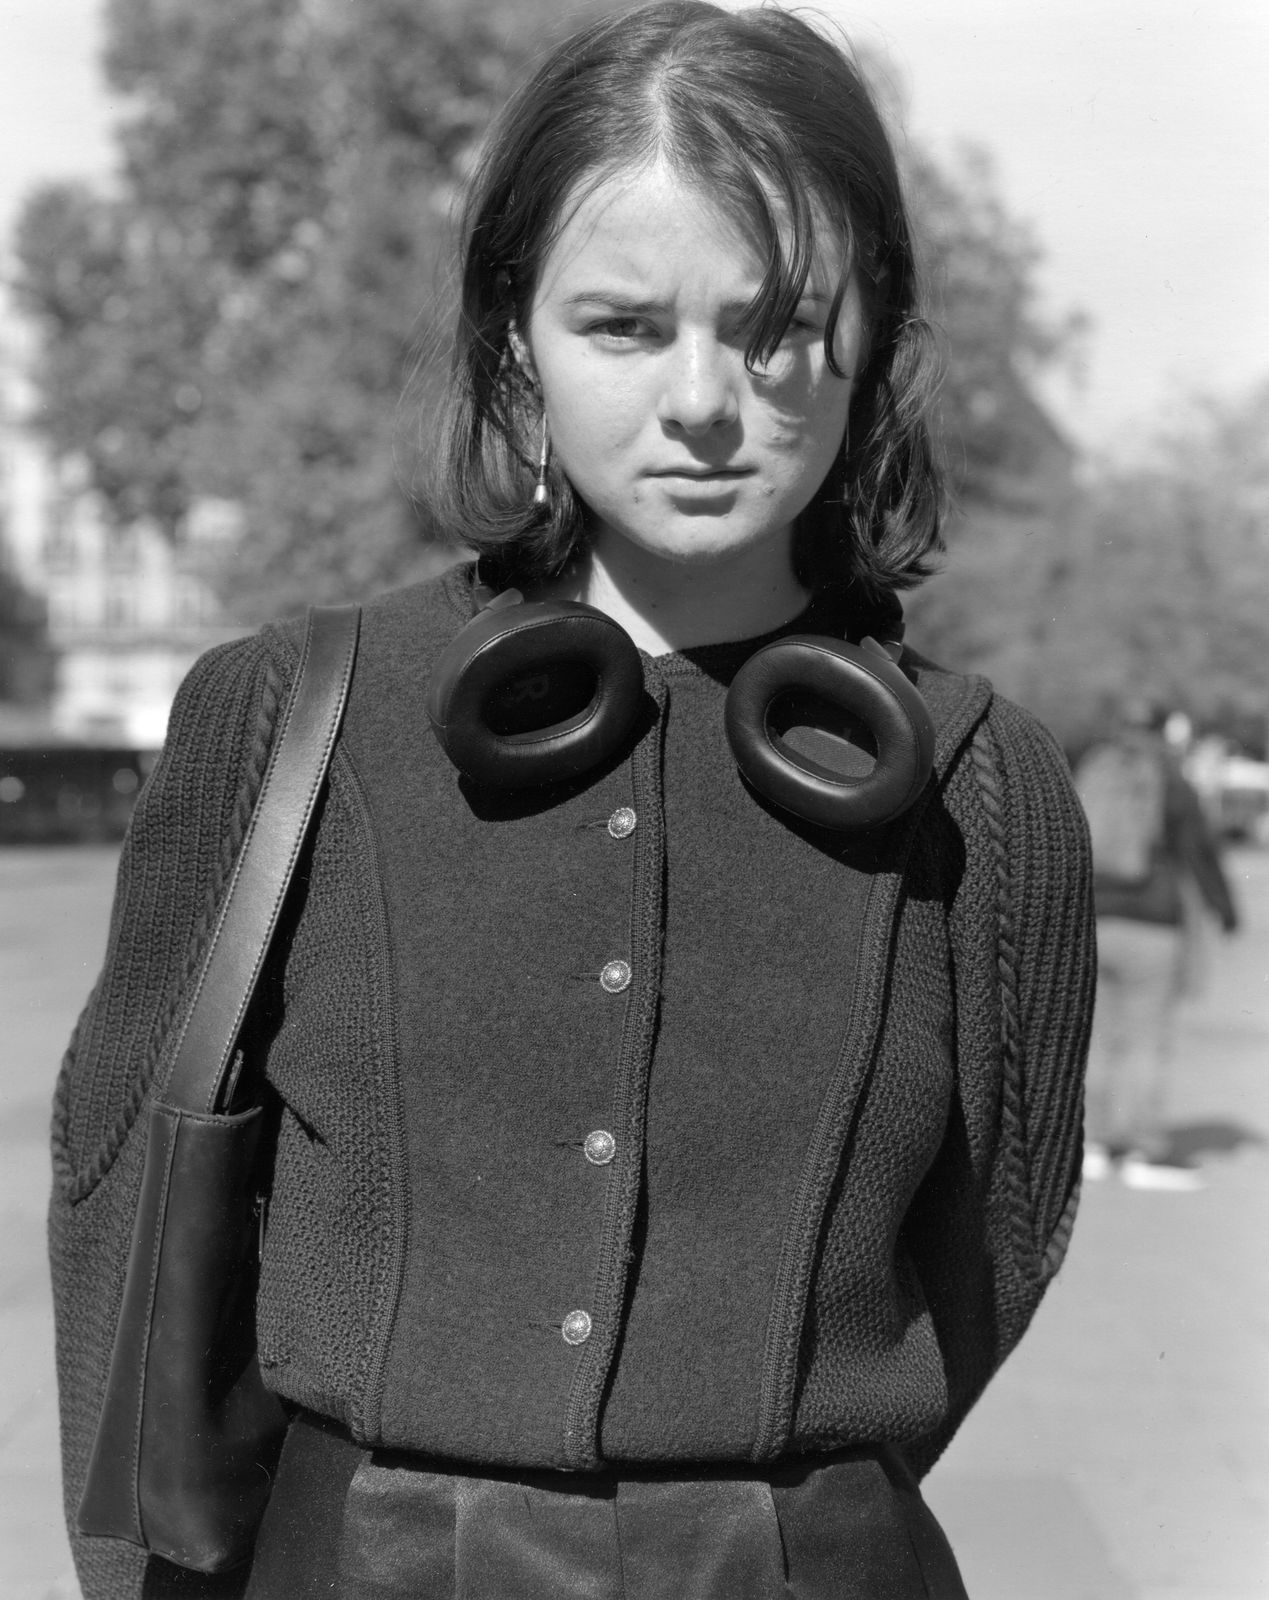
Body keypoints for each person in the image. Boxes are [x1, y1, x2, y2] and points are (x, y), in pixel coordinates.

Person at [49, 5, 1096, 1597]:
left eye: (776, 326)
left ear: (875, 331)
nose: (704, 400)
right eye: (623, 324)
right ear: (511, 342)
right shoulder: (289, 715)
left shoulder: (985, 791)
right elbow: (124, 1192)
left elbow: (989, 1252)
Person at [1076, 699, 1239, 1190]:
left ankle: (1094, 1146)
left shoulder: (1093, 769)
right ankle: (1142, 1149)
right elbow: (1198, 850)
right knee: (1145, 1040)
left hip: (1096, 920)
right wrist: (1224, 907)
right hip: (1155, 925)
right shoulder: (1171, 780)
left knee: (1098, 1039)